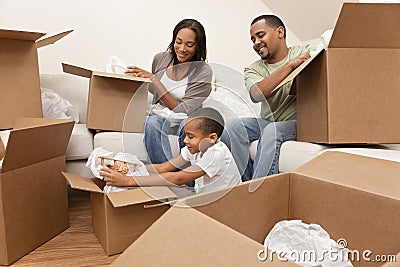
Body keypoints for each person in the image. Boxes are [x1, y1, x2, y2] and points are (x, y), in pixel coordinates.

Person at [220, 14, 312, 181]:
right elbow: (257, 94)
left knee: (273, 130)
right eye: (253, 39)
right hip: (269, 121)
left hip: (300, 122)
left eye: (260, 35)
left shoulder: (304, 53)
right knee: (232, 127)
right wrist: (290, 65)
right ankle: (247, 185)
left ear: (280, 32)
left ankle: (257, 195)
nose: (256, 43)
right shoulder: (253, 69)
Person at [125, 19, 212, 167]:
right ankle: (165, 177)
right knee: (151, 123)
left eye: (189, 45)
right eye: (178, 42)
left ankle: (188, 181)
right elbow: (154, 92)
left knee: (190, 126)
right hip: (161, 116)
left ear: (198, 46)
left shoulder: (203, 71)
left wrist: (154, 80)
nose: (182, 49)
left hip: (187, 118)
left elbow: (182, 109)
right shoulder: (160, 59)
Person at [100, 107, 241, 195]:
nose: (185, 141)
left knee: (163, 193)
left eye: (191, 137)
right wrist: (130, 168)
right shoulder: (195, 149)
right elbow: (163, 167)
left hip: (224, 204)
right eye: (186, 135)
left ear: (212, 138)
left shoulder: (216, 154)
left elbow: (178, 178)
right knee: (157, 189)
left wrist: (128, 181)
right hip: (203, 197)